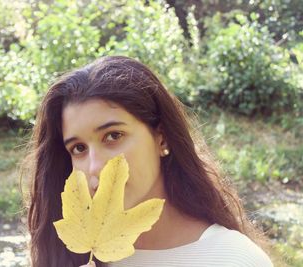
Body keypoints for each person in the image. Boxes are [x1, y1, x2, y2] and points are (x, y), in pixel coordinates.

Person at [23, 56, 274, 267]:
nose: (95, 167)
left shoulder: (234, 259)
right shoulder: (71, 255)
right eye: (78, 148)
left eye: (113, 136)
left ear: (161, 138)